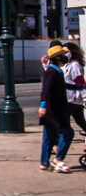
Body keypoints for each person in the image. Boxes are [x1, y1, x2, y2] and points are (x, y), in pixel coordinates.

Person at [39, 44, 74, 173]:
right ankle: (58, 159)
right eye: (63, 55)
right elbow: (46, 89)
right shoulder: (52, 71)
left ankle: (44, 163)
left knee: (49, 137)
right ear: (57, 57)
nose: (65, 57)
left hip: (54, 110)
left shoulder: (56, 71)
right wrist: (43, 105)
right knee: (68, 133)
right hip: (54, 111)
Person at [63, 41, 86, 137]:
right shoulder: (66, 65)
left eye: (66, 52)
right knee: (80, 121)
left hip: (72, 99)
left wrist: (85, 98)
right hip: (72, 99)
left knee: (62, 121)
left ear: (72, 52)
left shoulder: (75, 65)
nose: (64, 54)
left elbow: (81, 82)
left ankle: (59, 143)